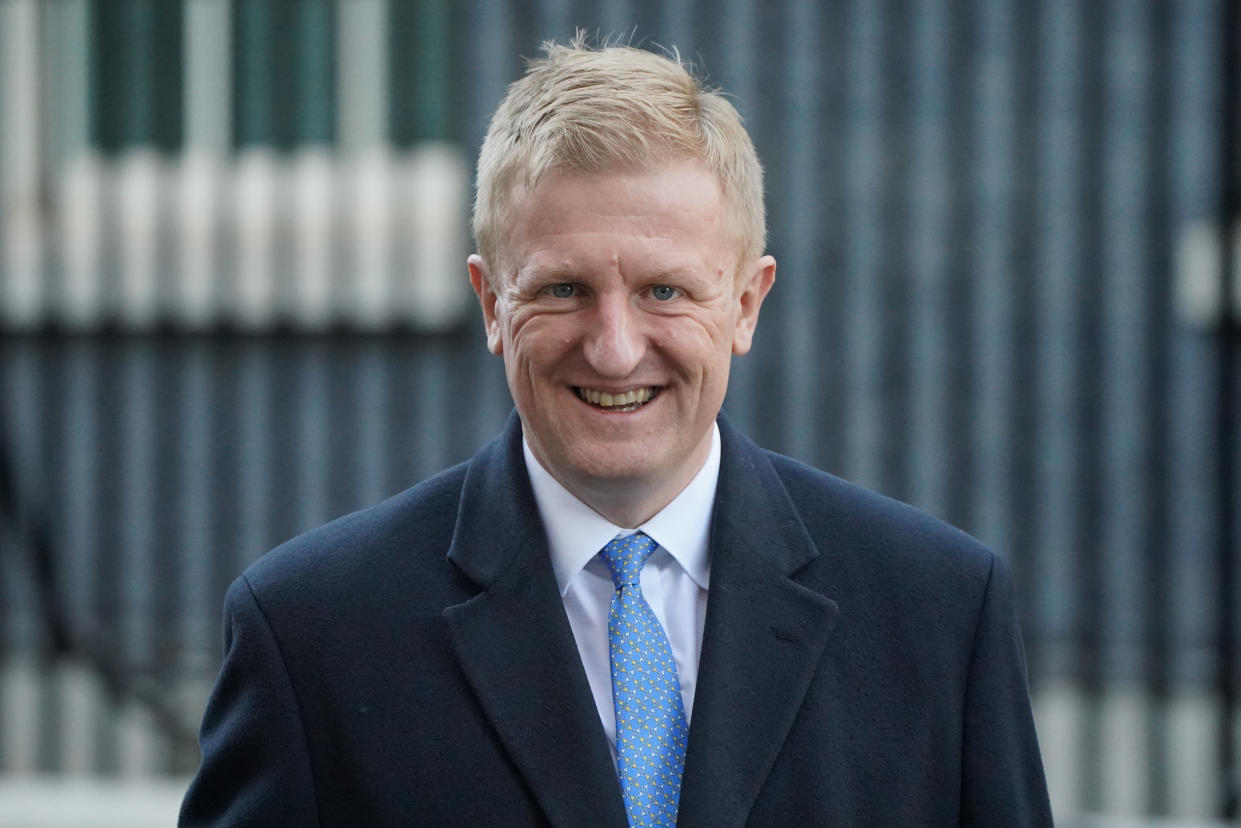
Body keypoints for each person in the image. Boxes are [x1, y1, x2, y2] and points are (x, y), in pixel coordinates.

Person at [180, 36, 1052, 826]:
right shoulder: (313, 633)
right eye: (561, 290)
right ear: (491, 303)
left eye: (663, 291)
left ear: (747, 303)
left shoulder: (936, 612)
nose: (613, 347)